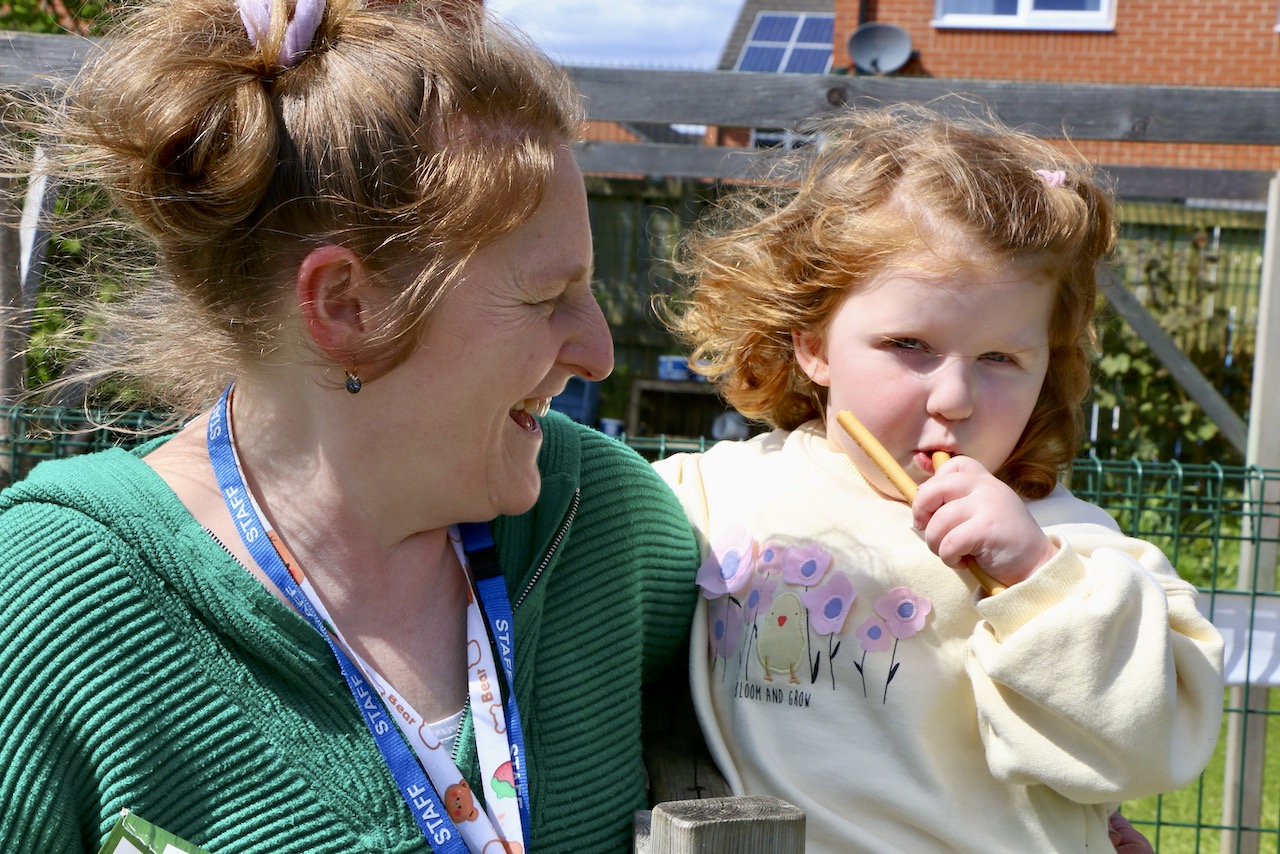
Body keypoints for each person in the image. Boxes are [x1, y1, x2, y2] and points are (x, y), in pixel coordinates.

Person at [0, 1, 701, 851]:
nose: (598, 354)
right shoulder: (50, 603)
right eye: (547, 297)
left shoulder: (602, 522)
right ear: (346, 305)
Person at [652, 103, 1224, 852]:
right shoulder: (717, 491)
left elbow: (1145, 751)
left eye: (1000, 358)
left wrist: (1033, 578)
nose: (953, 396)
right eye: (909, 344)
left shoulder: (1073, 546)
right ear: (813, 346)